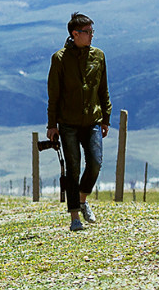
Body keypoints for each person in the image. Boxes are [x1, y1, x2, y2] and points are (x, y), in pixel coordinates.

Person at [46, 12, 112, 231]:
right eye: (88, 32)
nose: (92, 36)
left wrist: (106, 119)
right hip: (68, 123)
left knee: (95, 163)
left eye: (92, 31)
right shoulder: (59, 59)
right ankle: (74, 216)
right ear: (75, 34)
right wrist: (52, 125)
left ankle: (82, 200)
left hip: (93, 119)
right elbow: (53, 95)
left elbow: (103, 89)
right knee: (72, 169)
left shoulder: (99, 56)